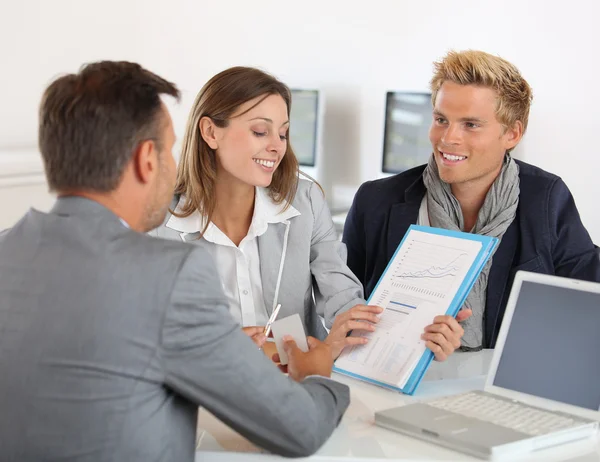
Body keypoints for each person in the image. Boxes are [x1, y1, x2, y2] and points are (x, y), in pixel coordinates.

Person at [0, 61, 350, 462]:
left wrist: (216, 347)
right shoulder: (168, 273)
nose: (174, 165)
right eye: (168, 149)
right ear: (147, 159)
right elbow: (298, 428)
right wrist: (317, 375)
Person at [151, 66, 468, 360]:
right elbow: (154, 337)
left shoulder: (305, 202)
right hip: (205, 391)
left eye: (283, 133)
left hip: (299, 381)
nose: (277, 146)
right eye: (261, 131)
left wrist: (415, 332)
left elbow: (342, 296)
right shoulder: (159, 221)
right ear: (210, 132)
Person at [343, 50, 600, 352]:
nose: (448, 138)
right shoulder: (375, 202)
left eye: (471, 125)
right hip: (396, 379)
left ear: (513, 133)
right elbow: (343, 318)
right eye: (441, 119)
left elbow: (587, 304)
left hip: (499, 386)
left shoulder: (545, 199)